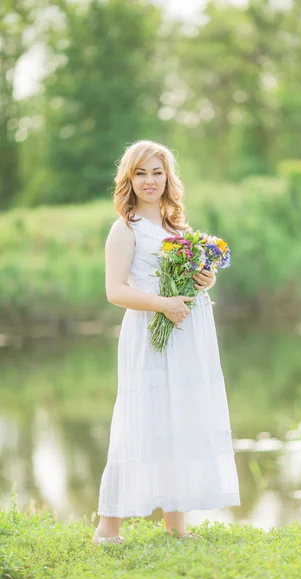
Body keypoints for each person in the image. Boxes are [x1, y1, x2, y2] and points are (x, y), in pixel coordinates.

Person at [92, 139, 240, 545]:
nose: (150, 180)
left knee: (182, 418)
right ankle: (108, 529)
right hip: (149, 334)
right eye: (140, 173)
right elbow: (114, 291)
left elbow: (189, 277)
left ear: (168, 177)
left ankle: (176, 527)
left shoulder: (179, 228)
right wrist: (162, 305)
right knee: (138, 421)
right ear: (129, 179)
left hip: (187, 335)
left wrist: (204, 279)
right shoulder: (125, 229)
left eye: (157, 172)